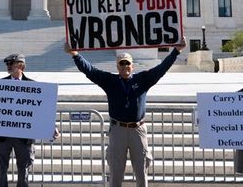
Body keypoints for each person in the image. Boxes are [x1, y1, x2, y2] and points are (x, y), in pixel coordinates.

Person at [65, 39, 186, 187]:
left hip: (138, 130)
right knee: (116, 173)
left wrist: (176, 51)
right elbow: (90, 71)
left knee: (141, 172)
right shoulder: (110, 81)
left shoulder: (143, 79)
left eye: (127, 63)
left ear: (132, 66)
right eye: (121, 64)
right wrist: (75, 55)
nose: (125, 67)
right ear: (117, 66)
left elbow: (161, 68)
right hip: (118, 130)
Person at [0, 53, 60, 187]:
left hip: (24, 137)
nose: (8, 66)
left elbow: (42, 111)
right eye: (7, 64)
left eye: (11, 64)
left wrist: (52, 126)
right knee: (2, 167)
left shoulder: (34, 87)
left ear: (21, 66)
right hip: (3, 136)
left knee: (23, 168)